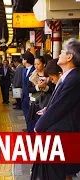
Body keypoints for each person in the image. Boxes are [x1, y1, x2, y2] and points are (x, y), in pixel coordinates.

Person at [32, 38, 80, 180]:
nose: (59, 54)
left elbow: (60, 107)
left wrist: (38, 127)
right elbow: (59, 104)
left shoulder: (74, 78)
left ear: (70, 57)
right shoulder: (69, 77)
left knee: (56, 174)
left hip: (63, 136)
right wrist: (47, 109)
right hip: (61, 134)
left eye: (63, 52)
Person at [25, 56, 54, 132]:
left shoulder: (49, 75)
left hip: (46, 103)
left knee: (43, 125)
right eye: (35, 64)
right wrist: (38, 86)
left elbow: (53, 90)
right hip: (34, 104)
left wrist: (45, 87)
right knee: (32, 123)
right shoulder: (32, 75)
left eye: (38, 64)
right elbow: (28, 89)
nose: (36, 66)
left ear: (44, 64)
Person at [21, 51, 35, 132]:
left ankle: (32, 137)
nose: (22, 61)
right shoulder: (24, 70)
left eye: (23, 59)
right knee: (27, 118)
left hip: (31, 99)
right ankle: (29, 134)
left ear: (26, 60)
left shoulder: (34, 70)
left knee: (32, 119)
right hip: (24, 99)